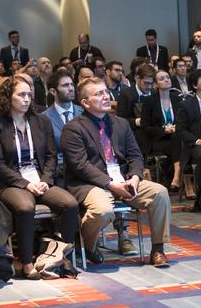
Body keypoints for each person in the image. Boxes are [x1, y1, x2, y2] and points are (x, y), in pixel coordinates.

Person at [60, 77, 172, 266]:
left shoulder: (120, 123)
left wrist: (135, 178)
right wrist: (111, 184)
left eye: (106, 92)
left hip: (124, 180)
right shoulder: (73, 128)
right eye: (98, 94)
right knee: (103, 210)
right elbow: (80, 166)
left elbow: (136, 156)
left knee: (159, 193)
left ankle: (158, 249)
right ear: (85, 103)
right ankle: (88, 245)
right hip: (91, 184)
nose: (106, 97)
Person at [0, 77, 80, 279]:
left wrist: (45, 179)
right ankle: (26, 263)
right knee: (26, 208)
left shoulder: (41, 121)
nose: (27, 99)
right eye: (21, 94)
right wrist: (26, 184)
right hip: (11, 183)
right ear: (8, 97)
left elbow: (51, 156)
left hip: (39, 178)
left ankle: (63, 258)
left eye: (29, 94)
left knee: (70, 204)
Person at [175, 69, 201, 204]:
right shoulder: (186, 104)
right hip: (197, 143)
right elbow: (181, 129)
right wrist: (198, 140)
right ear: (194, 85)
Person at [140, 68, 185, 181]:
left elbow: (183, 121)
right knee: (182, 147)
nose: (166, 80)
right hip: (158, 139)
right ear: (155, 84)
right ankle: (180, 179)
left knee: (178, 140)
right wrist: (164, 130)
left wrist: (176, 127)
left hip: (176, 136)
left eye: (167, 77)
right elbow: (145, 127)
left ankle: (175, 177)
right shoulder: (149, 101)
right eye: (161, 79)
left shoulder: (177, 99)